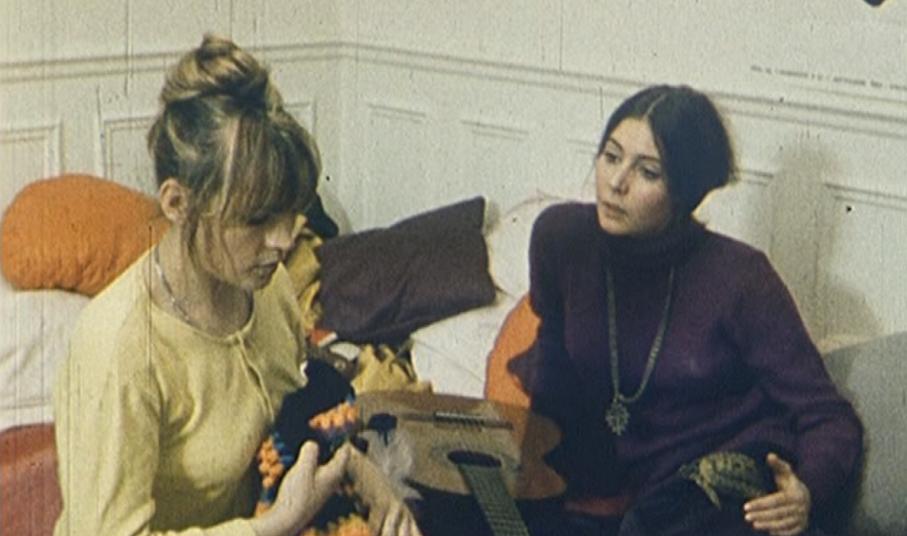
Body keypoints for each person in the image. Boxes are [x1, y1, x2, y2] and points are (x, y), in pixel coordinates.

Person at [53, 35, 420, 536]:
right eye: (256, 219)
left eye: (290, 212)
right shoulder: (119, 348)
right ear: (177, 204)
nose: (285, 240)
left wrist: (362, 472)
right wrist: (277, 525)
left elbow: (295, 423)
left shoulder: (268, 287)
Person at [522, 85, 862, 535]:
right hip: (615, 495)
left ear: (686, 191)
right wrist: (533, 461)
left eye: (648, 172)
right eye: (611, 156)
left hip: (715, 495)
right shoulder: (561, 237)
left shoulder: (740, 277)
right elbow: (553, 350)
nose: (616, 182)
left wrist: (807, 491)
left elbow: (828, 415)